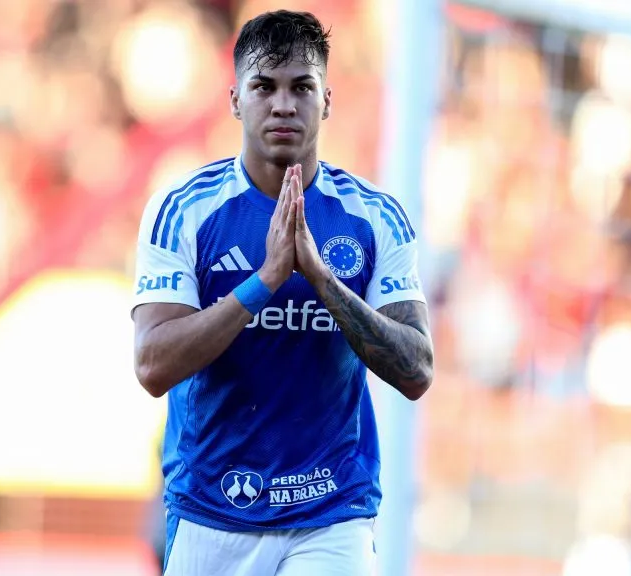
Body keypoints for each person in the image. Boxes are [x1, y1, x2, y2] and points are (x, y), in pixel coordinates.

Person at [131, 9, 434, 576]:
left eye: (302, 87)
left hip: (330, 508)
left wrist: (322, 279)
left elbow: (417, 370)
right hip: (213, 508)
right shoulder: (185, 211)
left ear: (327, 100)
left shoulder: (375, 217)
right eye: (264, 86)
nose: (284, 104)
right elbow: (152, 365)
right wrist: (264, 281)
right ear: (235, 100)